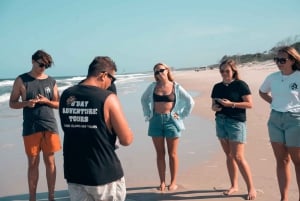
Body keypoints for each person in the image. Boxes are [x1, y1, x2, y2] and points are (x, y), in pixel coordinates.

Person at [59, 56, 133, 201]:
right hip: (103, 172)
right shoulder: (108, 98)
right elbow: (126, 140)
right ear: (103, 75)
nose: (111, 83)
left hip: (74, 172)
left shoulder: (66, 94)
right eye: (112, 79)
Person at [9, 50, 61, 201]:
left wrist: (46, 101)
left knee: (50, 161)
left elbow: (58, 103)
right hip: (31, 127)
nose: (43, 68)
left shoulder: (51, 81)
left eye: (47, 66)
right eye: (41, 64)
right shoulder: (21, 80)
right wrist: (26, 103)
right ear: (33, 61)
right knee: (32, 164)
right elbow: (12, 103)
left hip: (50, 126)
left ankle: (51, 197)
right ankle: (33, 198)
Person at [141, 62, 194, 191]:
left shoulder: (176, 86)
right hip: (155, 121)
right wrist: (148, 114)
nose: (159, 73)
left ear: (167, 70)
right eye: (156, 72)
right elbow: (144, 99)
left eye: (161, 70)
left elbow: (190, 102)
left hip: (172, 121)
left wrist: (180, 115)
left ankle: (173, 182)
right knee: (160, 153)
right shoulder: (153, 86)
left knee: (173, 154)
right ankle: (162, 182)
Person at [211, 59, 256, 200]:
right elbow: (213, 105)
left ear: (234, 71)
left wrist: (232, 104)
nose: (224, 73)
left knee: (238, 156)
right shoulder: (217, 87)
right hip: (220, 121)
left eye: (227, 71)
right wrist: (215, 107)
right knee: (229, 155)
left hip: (236, 123)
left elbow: (250, 104)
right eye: (222, 71)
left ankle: (251, 188)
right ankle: (234, 186)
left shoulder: (240, 85)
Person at [259, 46, 300, 201]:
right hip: (275, 120)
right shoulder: (272, 77)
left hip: (295, 120)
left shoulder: (299, 77)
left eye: (282, 60)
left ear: (292, 60)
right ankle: (284, 198)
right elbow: (262, 92)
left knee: (298, 161)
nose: (279, 63)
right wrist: (273, 103)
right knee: (281, 160)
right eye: (277, 59)